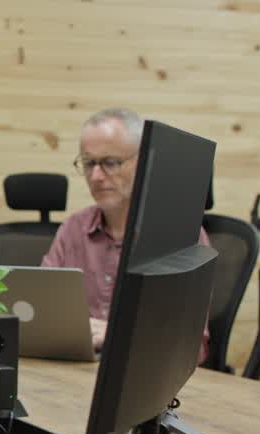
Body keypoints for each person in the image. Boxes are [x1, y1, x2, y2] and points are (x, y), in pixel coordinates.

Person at [42, 108, 210, 361]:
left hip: (145, 379)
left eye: (110, 162)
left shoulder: (181, 236)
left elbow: (191, 346)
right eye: (88, 163)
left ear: (143, 162)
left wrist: (118, 335)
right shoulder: (73, 228)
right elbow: (41, 313)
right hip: (76, 369)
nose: (96, 176)